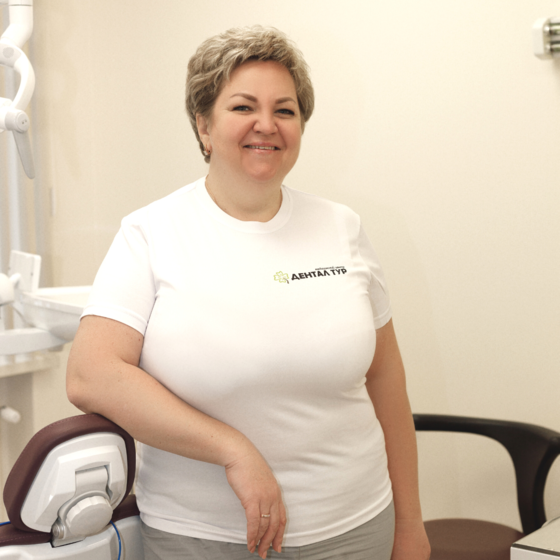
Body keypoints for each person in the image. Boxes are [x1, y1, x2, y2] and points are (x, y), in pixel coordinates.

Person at [67, 25, 430, 560]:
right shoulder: (152, 233)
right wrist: (233, 450)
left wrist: (410, 523)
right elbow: (92, 375)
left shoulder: (341, 227)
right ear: (203, 125)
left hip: (356, 527)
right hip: (204, 537)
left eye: (285, 110)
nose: (267, 124)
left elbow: (385, 377)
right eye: (243, 107)